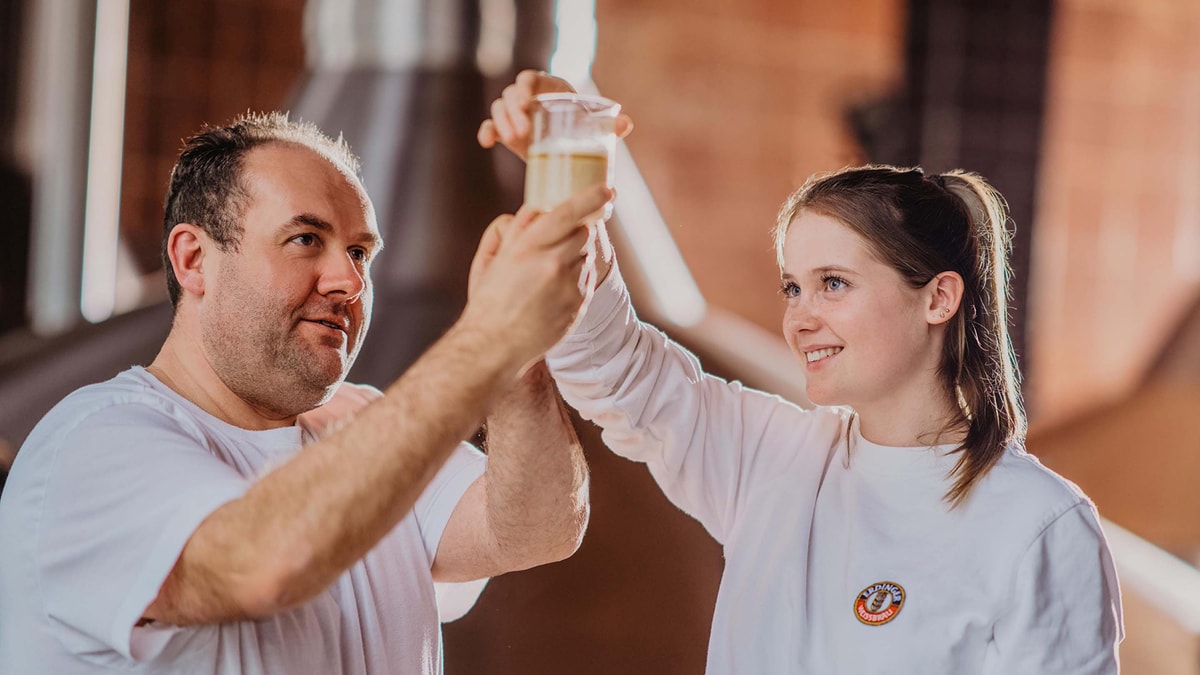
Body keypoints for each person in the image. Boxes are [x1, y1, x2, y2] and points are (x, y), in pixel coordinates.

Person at [479, 72, 1123, 673]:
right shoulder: (772, 459)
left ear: (938, 298)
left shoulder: (1038, 523)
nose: (800, 319)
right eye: (793, 288)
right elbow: (615, 367)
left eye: (833, 283)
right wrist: (565, 179)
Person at [0, 111, 614, 674]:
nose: (350, 280)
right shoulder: (92, 442)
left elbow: (536, 529)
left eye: (359, 252)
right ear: (194, 260)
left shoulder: (360, 425)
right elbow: (261, 566)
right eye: (305, 239)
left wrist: (519, 357)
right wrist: (486, 338)